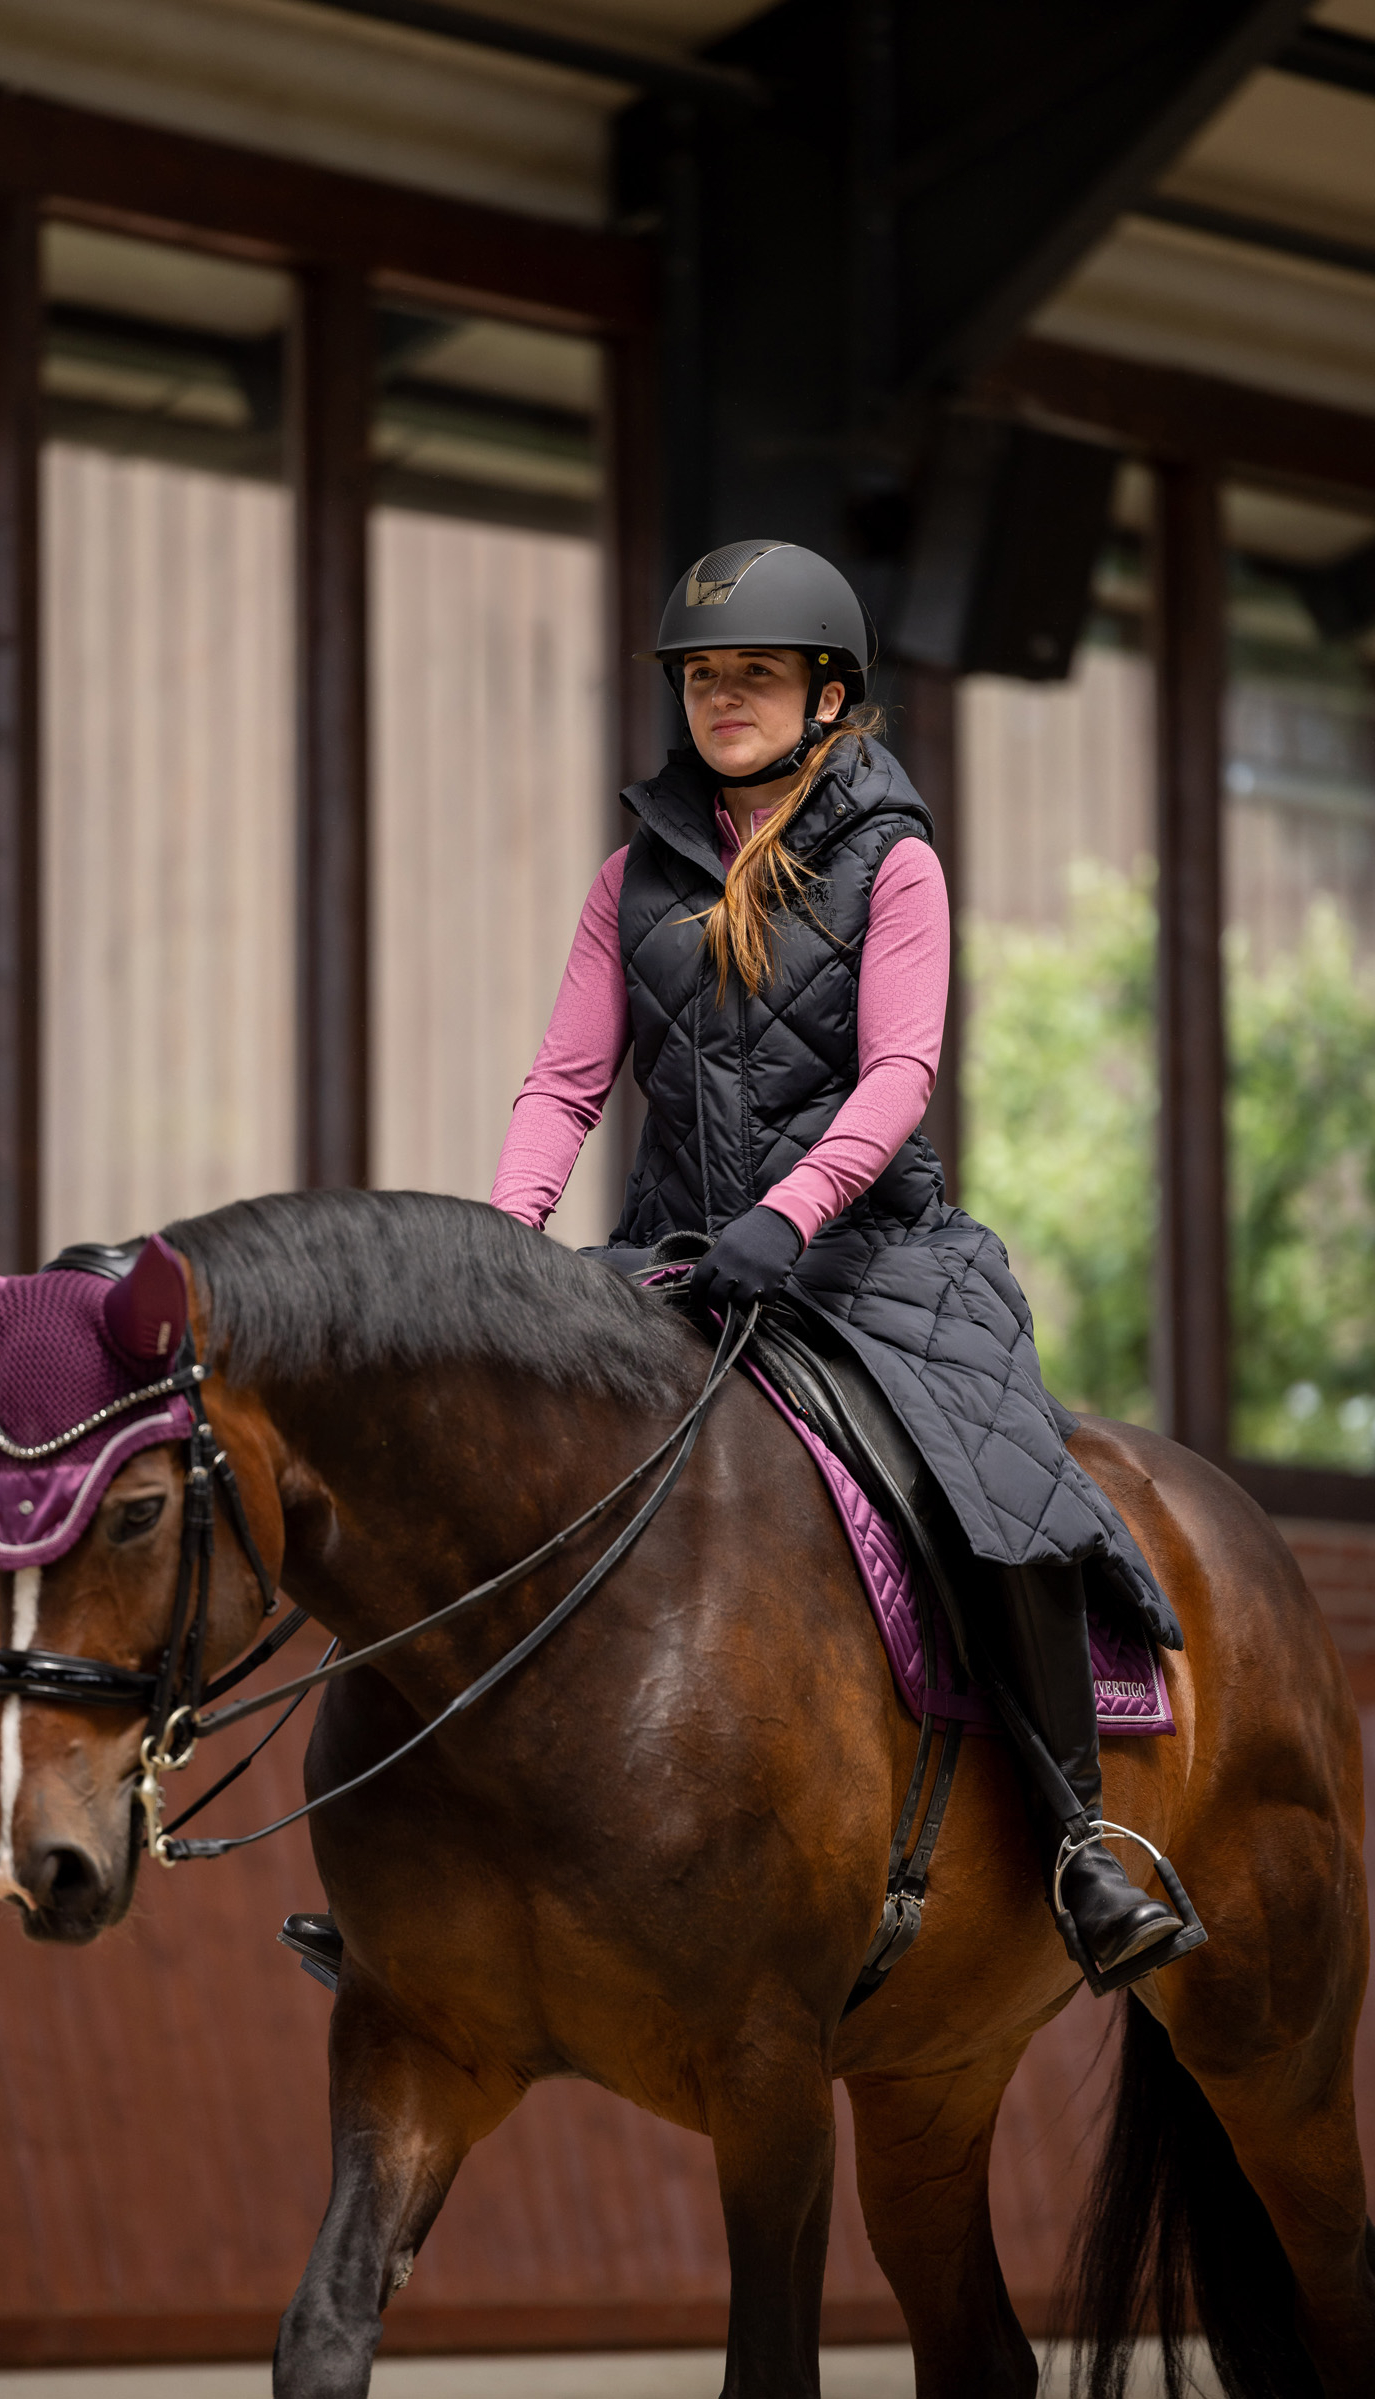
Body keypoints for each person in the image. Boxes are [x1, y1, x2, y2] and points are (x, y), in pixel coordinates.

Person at [487, 537, 1186, 1983]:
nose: (723, 698)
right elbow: (564, 1087)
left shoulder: (896, 859)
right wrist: (503, 1249)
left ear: (826, 693)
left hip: (874, 1255)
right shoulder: (635, 875)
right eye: (701, 676)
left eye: (755, 673)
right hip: (680, 1253)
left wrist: (793, 1214)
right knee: (499, 1458)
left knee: (994, 1482)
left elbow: (899, 1074)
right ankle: (459, 1856)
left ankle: (1079, 1844)